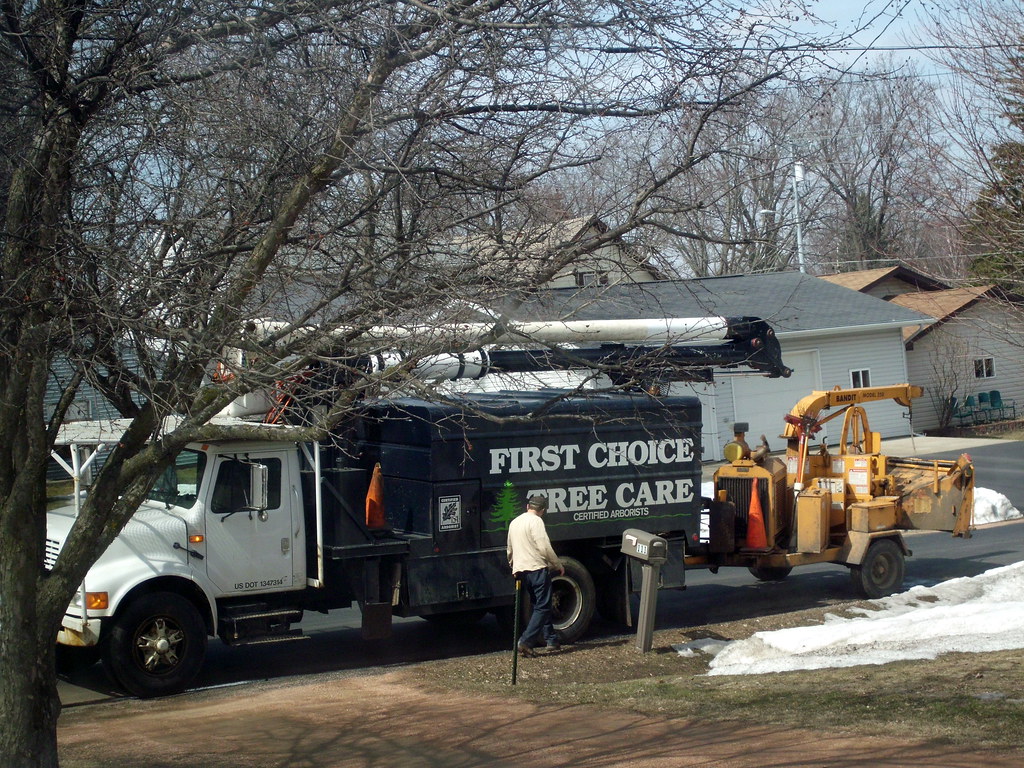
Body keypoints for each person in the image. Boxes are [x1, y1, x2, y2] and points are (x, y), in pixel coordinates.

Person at [506, 494, 564, 656]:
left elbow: (510, 549)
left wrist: (513, 566)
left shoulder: (514, 522)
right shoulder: (536, 521)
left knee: (539, 605)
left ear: (527, 507)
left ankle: (551, 639)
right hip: (537, 569)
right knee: (543, 606)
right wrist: (557, 564)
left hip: (521, 571)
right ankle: (526, 641)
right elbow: (544, 547)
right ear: (543, 510)